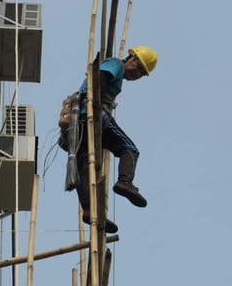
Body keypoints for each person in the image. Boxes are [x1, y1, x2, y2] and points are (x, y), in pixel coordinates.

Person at [59, 45, 158, 233]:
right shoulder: (115, 64)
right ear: (131, 58)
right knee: (129, 149)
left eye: (141, 74)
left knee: (84, 166)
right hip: (91, 114)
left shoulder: (117, 70)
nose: (137, 75)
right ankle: (125, 182)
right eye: (138, 69)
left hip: (77, 121)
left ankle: (89, 211)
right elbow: (100, 79)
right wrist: (96, 106)